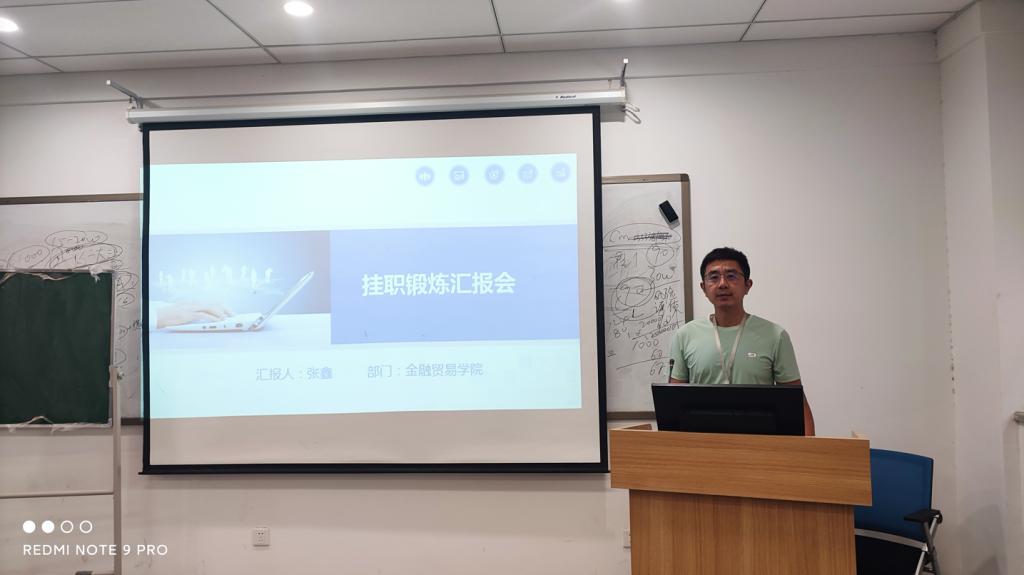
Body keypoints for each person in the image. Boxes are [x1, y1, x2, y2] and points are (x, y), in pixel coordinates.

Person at [669, 247, 815, 435]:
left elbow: (796, 402)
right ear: (703, 288)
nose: (722, 284)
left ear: (748, 285)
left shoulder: (774, 335)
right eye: (714, 277)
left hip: (760, 443)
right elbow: (673, 403)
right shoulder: (685, 335)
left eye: (731, 276)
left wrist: (809, 448)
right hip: (703, 443)